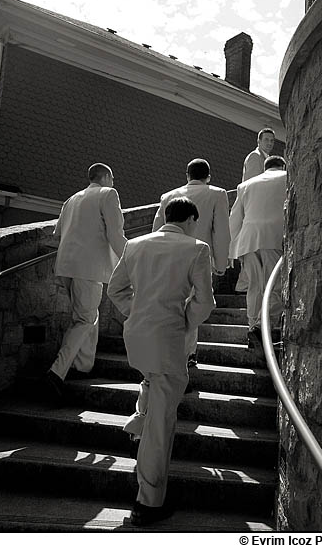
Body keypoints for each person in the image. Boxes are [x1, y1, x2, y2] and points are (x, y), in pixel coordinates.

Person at [107, 197, 215, 526]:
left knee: (150, 381)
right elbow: (205, 302)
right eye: (195, 222)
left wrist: (138, 312)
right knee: (161, 424)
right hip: (168, 337)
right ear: (190, 220)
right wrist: (184, 320)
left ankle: (135, 428)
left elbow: (115, 289)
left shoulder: (136, 245)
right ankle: (147, 501)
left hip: (137, 336)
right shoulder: (197, 249)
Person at [42, 163, 127, 403]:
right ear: (106, 177)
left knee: (88, 315)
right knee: (85, 319)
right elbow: (115, 234)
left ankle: (83, 365)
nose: (113, 182)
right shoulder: (108, 194)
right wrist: (131, 260)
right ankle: (56, 373)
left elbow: (57, 234)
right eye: (113, 177)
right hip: (89, 268)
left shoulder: (72, 199)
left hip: (67, 266)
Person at [152, 158, 230, 365]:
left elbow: (156, 230)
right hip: (198, 255)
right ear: (208, 176)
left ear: (187, 175)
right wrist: (221, 264)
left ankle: (180, 351)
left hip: (167, 257)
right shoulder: (217, 194)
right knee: (194, 305)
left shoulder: (167, 196)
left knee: (173, 304)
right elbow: (221, 231)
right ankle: (185, 354)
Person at [229, 155, 286, 347]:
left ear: (265, 167)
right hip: (274, 238)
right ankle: (262, 328)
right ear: (283, 166)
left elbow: (234, 219)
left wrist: (233, 252)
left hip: (248, 241)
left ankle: (251, 325)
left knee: (254, 287)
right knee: (274, 287)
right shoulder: (288, 177)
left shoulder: (246, 185)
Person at [237, 127, 276, 293]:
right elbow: (253, 184)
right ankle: (244, 283)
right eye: (266, 140)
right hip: (254, 209)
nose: (269, 143)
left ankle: (247, 283)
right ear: (258, 141)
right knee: (253, 248)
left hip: (259, 211)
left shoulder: (265, 158)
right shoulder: (255, 157)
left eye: (272, 141)